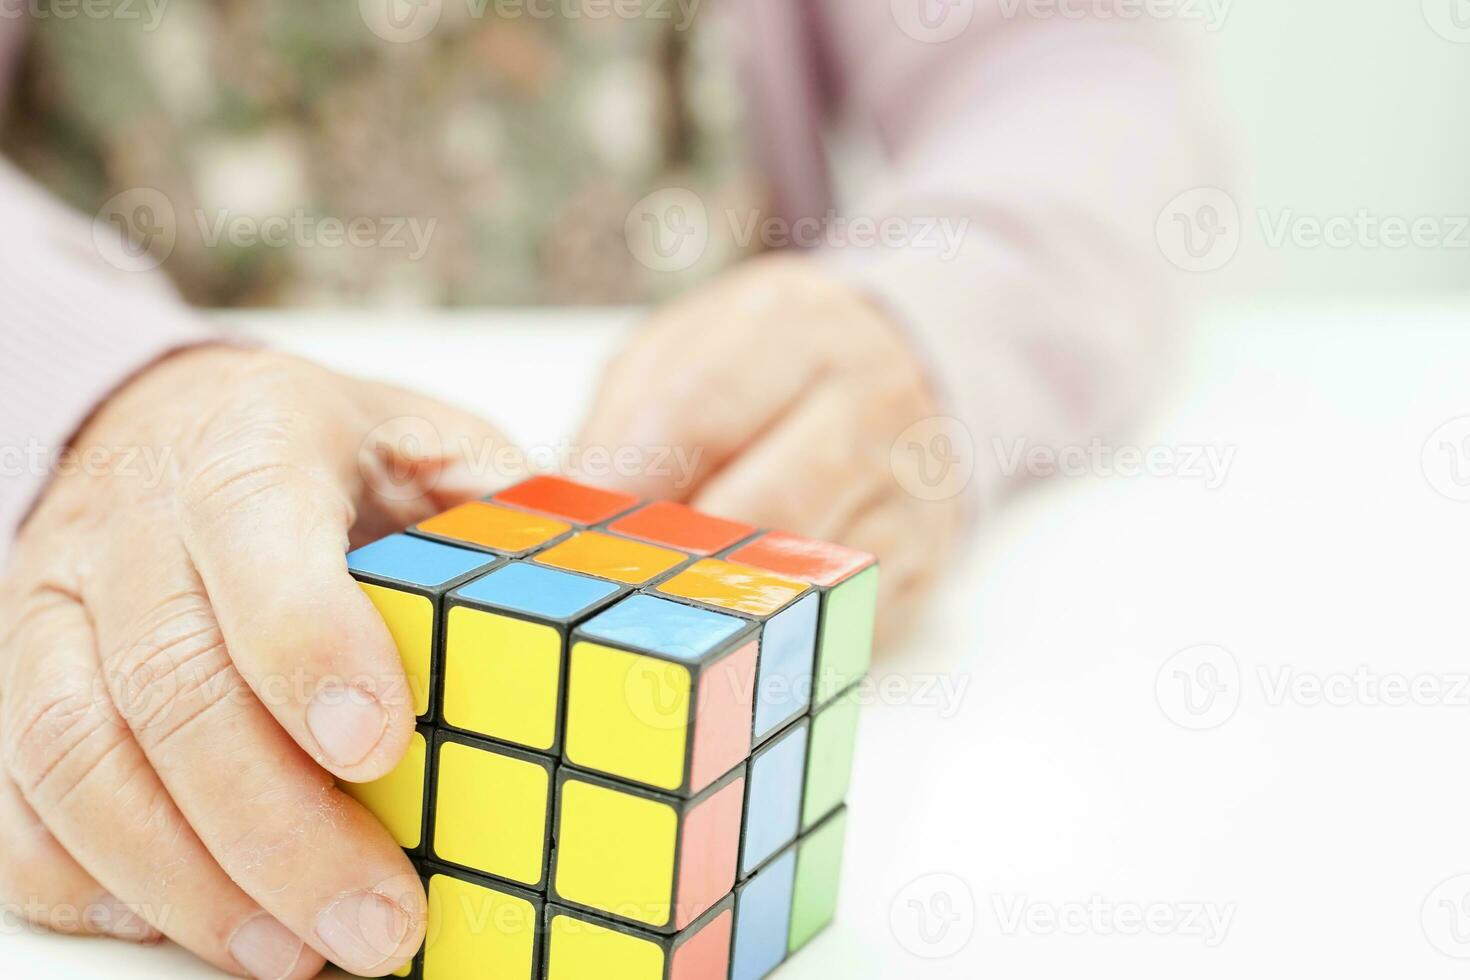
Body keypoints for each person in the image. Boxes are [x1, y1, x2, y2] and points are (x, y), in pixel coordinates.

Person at [0, 2, 1210, 977]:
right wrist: (95, 393)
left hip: (714, 546)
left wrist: (924, 318)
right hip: (171, 470)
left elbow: (1070, 64)